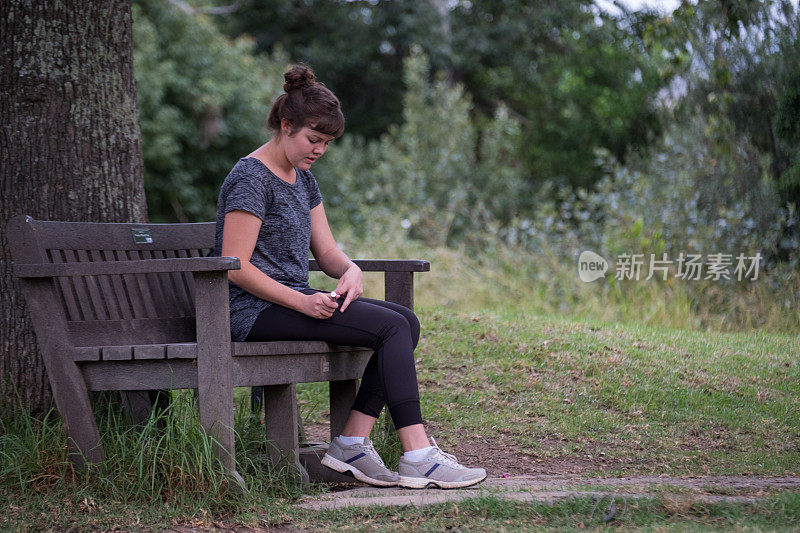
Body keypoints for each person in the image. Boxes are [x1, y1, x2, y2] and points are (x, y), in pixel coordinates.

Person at [213, 65, 486, 489]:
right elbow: (236, 267)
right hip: (250, 312)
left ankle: (353, 443)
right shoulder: (249, 178)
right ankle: (416, 454)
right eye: (313, 140)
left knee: (405, 322)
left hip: (292, 299)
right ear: (286, 126)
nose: (319, 150)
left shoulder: (303, 179)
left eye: (326, 143)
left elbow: (326, 252)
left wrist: (351, 269)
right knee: (392, 327)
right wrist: (302, 301)